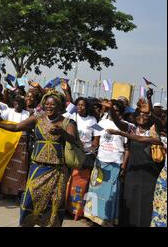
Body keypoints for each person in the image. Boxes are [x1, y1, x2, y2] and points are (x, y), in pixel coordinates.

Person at [0, 91, 82, 227]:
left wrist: (62, 133)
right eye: (47, 104)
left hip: (57, 171)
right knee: (29, 201)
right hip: (37, 168)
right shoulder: (37, 118)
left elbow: (73, 140)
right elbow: (16, 127)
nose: (49, 107)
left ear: (60, 106)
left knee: (54, 205)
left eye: (53, 104)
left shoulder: (67, 122)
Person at [107, 97, 164, 227]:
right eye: (139, 115)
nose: (142, 117)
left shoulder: (155, 131)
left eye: (145, 116)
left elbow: (159, 124)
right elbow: (119, 123)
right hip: (133, 171)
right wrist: (111, 109)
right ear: (135, 117)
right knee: (130, 201)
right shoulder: (132, 128)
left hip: (150, 174)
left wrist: (150, 112)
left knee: (146, 203)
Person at [83, 100, 130, 227]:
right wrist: (86, 149)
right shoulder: (101, 123)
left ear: (121, 112)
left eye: (116, 110)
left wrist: (124, 167)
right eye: (111, 109)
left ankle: (106, 219)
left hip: (115, 163)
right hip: (100, 162)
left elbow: (127, 149)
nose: (113, 112)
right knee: (95, 190)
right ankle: (92, 217)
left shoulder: (125, 126)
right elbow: (96, 142)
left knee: (110, 193)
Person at [64, 97, 101, 220]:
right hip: (71, 152)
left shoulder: (93, 120)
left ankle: (77, 211)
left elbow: (97, 137)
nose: (80, 107)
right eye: (78, 105)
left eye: (83, 105)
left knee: (81, 183)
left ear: (87, 107)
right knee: (68, 180)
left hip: (86, 156)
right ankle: (65, 206)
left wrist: (92, 149)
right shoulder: (71, 117)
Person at [0, 94, 30, 201]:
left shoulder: (27, 114)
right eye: (16, 103)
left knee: (19, 168)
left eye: (20, 103)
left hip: (21, 143)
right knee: (7, 166)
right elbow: (0, 119)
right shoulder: (9, 111)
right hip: (9, 143)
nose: (17, 105)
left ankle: (17, 193)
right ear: (13, 104)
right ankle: (4, 192)